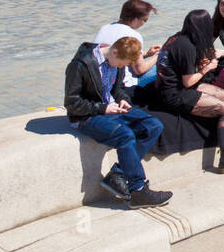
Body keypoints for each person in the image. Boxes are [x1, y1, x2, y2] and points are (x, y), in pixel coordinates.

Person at [65, 35, 172, 207]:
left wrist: (122, 98)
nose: (122, 67)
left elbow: (118, 89)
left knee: (153, 125)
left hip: (110, 109)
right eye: (122, 64)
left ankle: (118, 173)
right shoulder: (80, 65)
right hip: (86, 116)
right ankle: (138, 190)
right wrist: (103, 108)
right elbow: (71, 103)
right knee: (125, 134)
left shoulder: (116, 60)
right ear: (114, 52)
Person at [154, 9, 224, 172]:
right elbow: (188, 81)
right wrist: (207, 69)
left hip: (182, 86)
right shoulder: (186, 47)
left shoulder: (178, 37)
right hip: (175, 94)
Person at [91, 0, 161, 88]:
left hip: (99, 79)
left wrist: (147, 54)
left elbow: (120, 55)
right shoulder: (133, 35)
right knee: (164, 67)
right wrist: (157, 57)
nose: (144, 23)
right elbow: (139, 70)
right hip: (123, 85)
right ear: (135, 18)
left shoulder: (104, 28)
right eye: (144, 20)